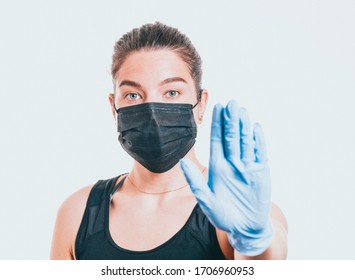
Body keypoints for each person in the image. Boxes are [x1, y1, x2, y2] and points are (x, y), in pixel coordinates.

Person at [50, 22, 288, 260]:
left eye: (172, 93)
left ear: (201, 104)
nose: (152, 112)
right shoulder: (78, 214)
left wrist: (255, 241)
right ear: (114, 109)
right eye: (133, 95)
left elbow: (268, 259)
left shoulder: (238, 211)